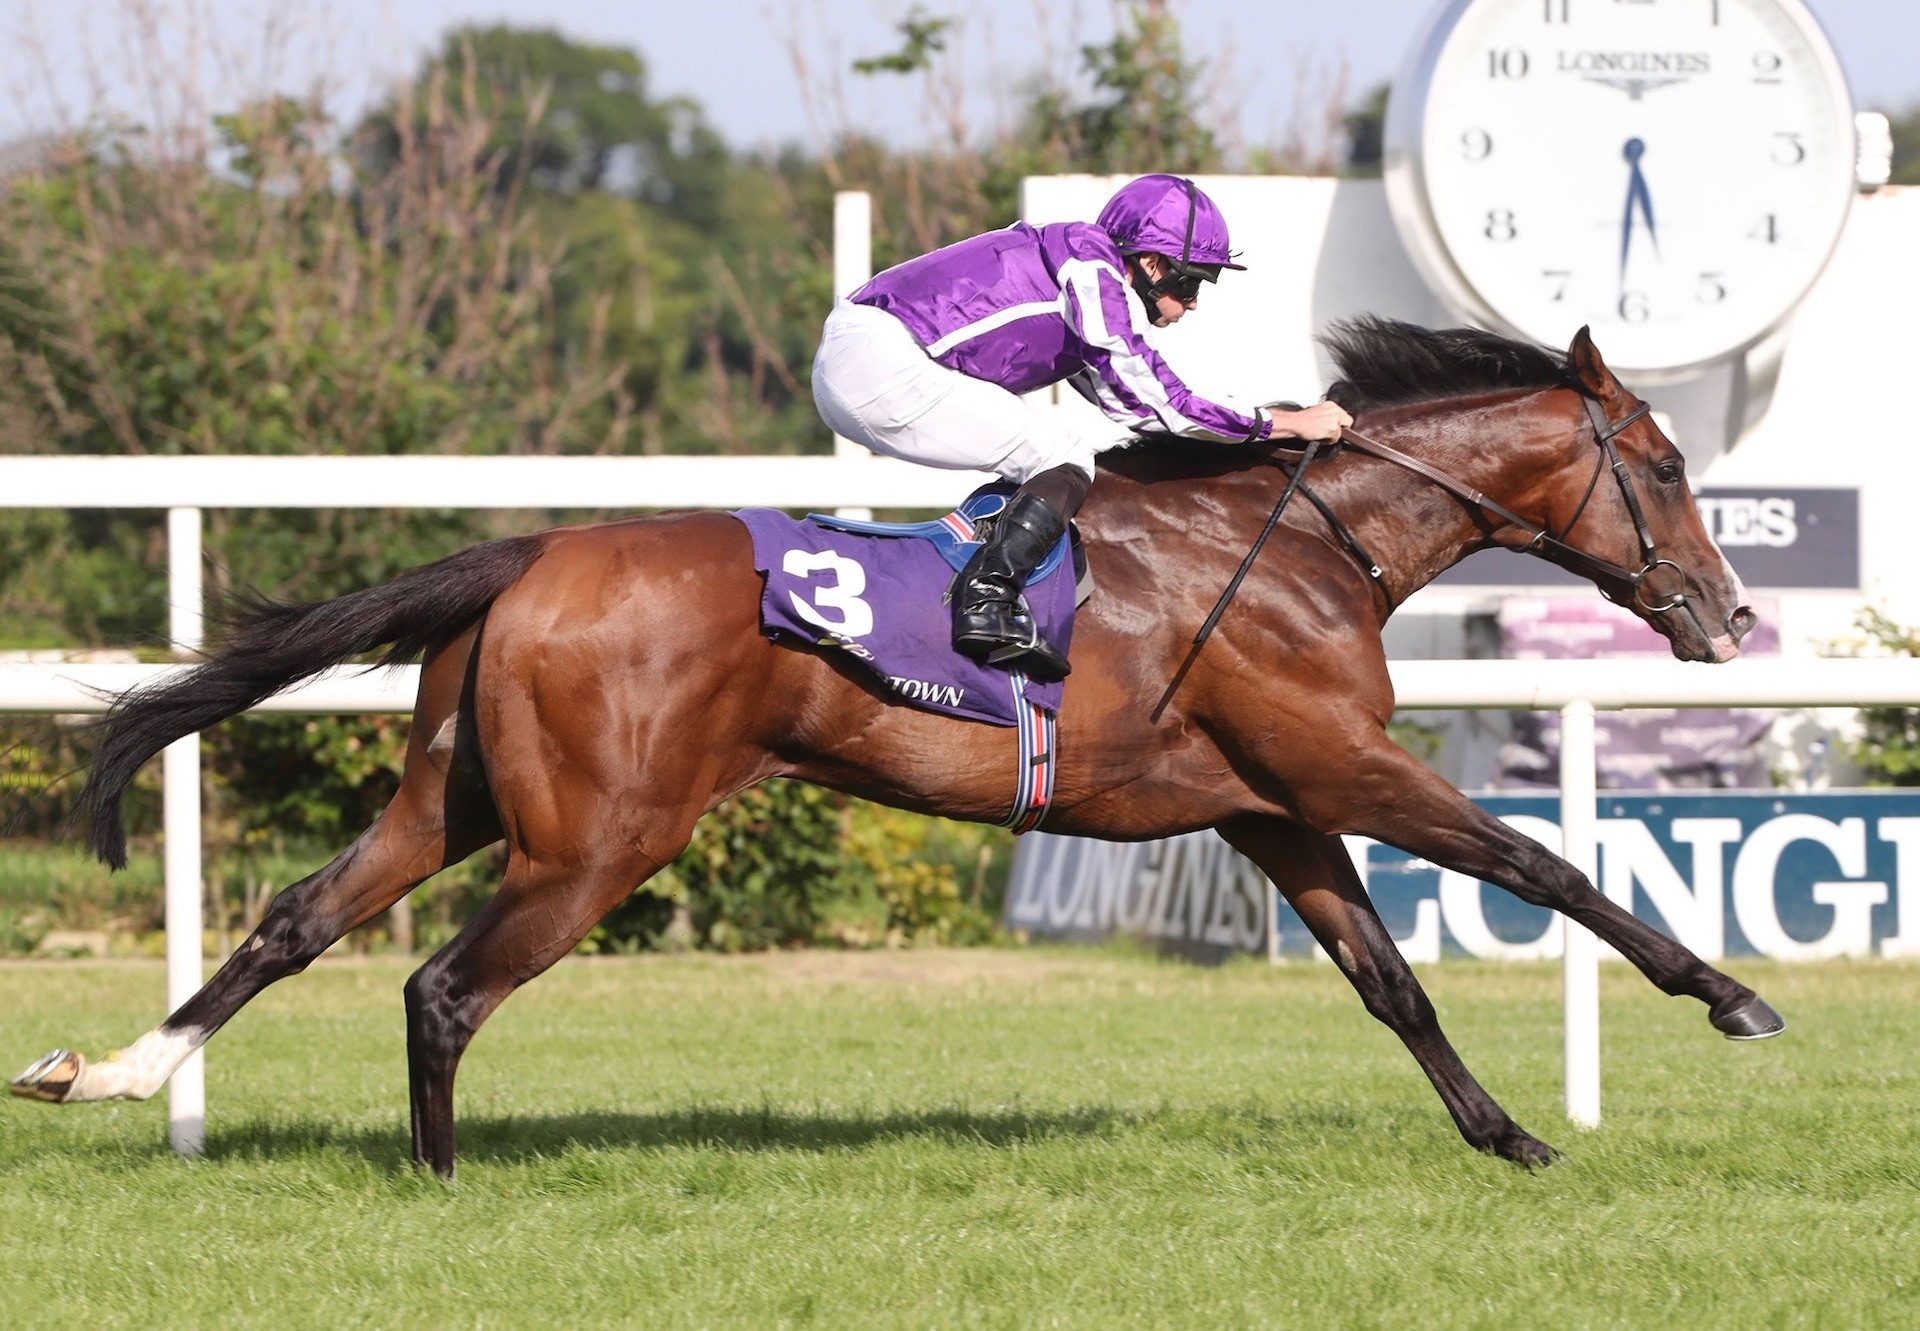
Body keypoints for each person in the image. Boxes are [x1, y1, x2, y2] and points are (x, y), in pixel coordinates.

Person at [811, 174, 1352, 680]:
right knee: (1063, 452)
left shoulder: (1082, 276)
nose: (1191, 304)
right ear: (1152, 264)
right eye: (1192, 282)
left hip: (865, 357)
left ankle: (996, 582)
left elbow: (1131, 407)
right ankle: (987, 600)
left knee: (1057, 453)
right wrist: (1285, 423)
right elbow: (1162, 403)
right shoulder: (1090, 271)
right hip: (875, 363)